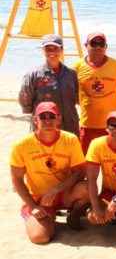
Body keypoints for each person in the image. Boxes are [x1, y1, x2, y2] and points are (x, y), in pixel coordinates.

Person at [10, 102, 88, 244]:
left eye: (51, 116)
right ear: (35, 120)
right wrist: (33, 206)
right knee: (40, 237)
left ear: (59, 119)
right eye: (43, 117)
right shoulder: (21, 145)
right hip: (38, 199)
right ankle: (47, 218)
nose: (47, 121)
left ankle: (74, 215)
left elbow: (80, 171)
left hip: (63, 193)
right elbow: (17, 179)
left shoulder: (70, 139)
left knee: (87, 188)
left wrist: (56, 190)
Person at [74, 32, 116, 152]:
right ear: (86, 45)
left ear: (106, 47)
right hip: (88, 124)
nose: (98, 47)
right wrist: (82, 103)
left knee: (113, 163)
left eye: (101, 44)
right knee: (86, 163)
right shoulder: (77, 67)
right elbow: (71, 91)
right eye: (94, 44)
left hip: (113, 125)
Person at [19, 34, 79, 135]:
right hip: (44, 126)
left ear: (61, 50)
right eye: (48, 49)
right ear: (43, 51)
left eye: (55, 48)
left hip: (69, 126)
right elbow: (25, 97)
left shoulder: (71, 74)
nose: (52, 52)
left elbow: (78, 98)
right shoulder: (33, 74)